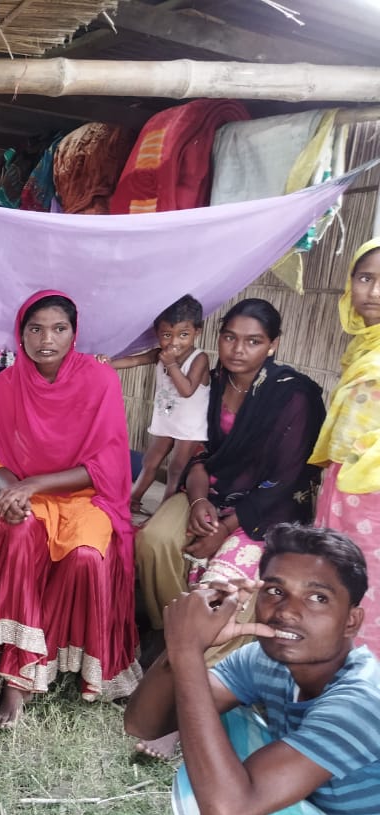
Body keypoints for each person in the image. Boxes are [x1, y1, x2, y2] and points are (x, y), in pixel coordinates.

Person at [124, 524, 380, 815]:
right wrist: (185, 646)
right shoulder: (266, 658)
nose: (288, 612)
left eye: (318, 598)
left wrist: (188, 653)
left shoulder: (361, 701)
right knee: (217, 721)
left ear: (351, 620)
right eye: (276, 591)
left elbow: (227, 808)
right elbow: (144, 724)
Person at [134, 297, 325, 760]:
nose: (238, 350)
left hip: (268, 510)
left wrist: (228, 527)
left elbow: (289, 477)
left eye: (254, 341)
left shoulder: (293, 394)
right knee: (154, 541)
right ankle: (171, 640)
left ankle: (190, 702)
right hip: (213, 494)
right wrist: (198, 500)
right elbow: (199, 455)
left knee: (225, 585)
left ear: (273, 345)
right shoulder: (210, 381)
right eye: (230, 337)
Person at [0, 291, 141, 726]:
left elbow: (105, 467)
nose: (45, 339)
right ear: (21, 333)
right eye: (35, 328)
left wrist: (32, 485)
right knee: (18, 535)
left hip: (88, 497)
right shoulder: (5, 386)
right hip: (31, 495)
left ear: (74, 333)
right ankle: (17, 680)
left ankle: (40, 665)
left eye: (58, 328)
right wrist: (15, 493)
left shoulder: (100, 380)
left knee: (86, 558)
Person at [311, 237, 380, 657]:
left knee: (369, 591)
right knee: (338, 583)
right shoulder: (363, 346)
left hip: (372, 496)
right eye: (365, 278)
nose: (373, 292)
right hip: (343, 487)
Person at [97, 295, 210, 515]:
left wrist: (171, 364)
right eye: (167, 335)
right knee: (150, 461)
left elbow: (186, 390)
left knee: (176, 469)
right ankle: (132, 500)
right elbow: (135, 360)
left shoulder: (199, 358)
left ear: (197, 332)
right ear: (157, 334)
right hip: (166, 420)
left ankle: (162, 514)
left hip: (190, 426)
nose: (174, 342)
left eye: (183, 335)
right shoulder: (159, 354)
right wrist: (107, 363)